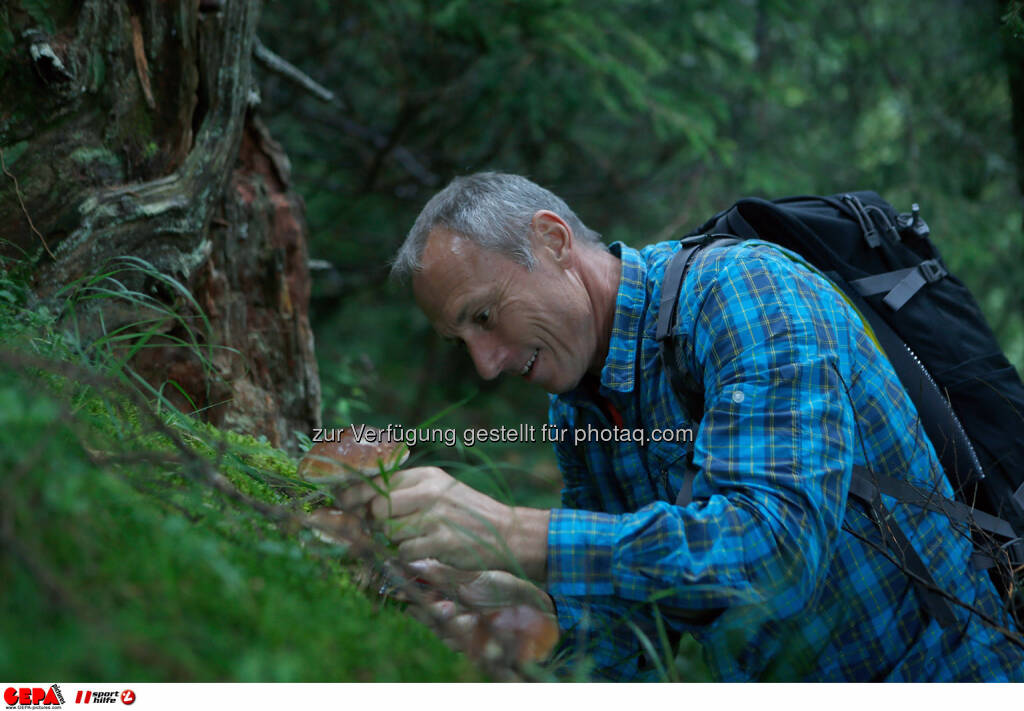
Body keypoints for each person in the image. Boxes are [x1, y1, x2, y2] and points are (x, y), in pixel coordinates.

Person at [340, 172, 1024, 681]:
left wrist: (514, 533)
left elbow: (774, 553)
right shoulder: (577, 404)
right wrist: (520, 603)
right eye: (462, 341)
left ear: (551, 241)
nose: (485, 365)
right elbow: (642, 632)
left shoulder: (745, 293)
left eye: (484, 315)